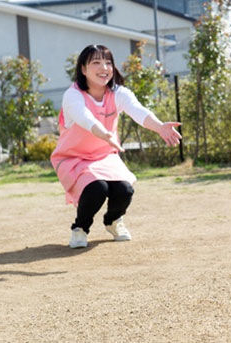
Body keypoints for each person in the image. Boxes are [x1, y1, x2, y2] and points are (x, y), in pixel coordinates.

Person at [50, 44, 182, 249]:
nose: (104, 67)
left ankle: (113, 221)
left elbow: (138, 111)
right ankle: (80, 228)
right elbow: (83, 117)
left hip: (104, 155)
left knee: (124, 190)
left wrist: (160, 127)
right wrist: (104, 134)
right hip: (74, 158)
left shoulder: (118, 92)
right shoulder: (73, 95)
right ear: (83, 69)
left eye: (108, 62)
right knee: (97, 189)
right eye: (96, 62)